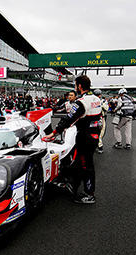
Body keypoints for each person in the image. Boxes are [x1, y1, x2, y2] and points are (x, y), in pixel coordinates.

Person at [44, 75, 102, 204]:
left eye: (75, 85)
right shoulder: (96, 99)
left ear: (79, 86)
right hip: (94, 136)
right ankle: (72, 184)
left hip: (85, 137)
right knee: (81, 163)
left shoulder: (81, 101)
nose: (75, 87)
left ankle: (89, 194)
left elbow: (68, 119)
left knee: (86, 166)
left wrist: (54, 132)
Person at [93, 89, 109, 154]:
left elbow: (106, 108)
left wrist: (100, 104)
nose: (97, 96)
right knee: (93, 133)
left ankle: (100, 146)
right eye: (96, 95)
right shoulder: (92, 101)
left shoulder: (103, 101)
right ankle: (98, 145)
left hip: (101, 118)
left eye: (98, 95)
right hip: (93, 118)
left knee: (100, 133)